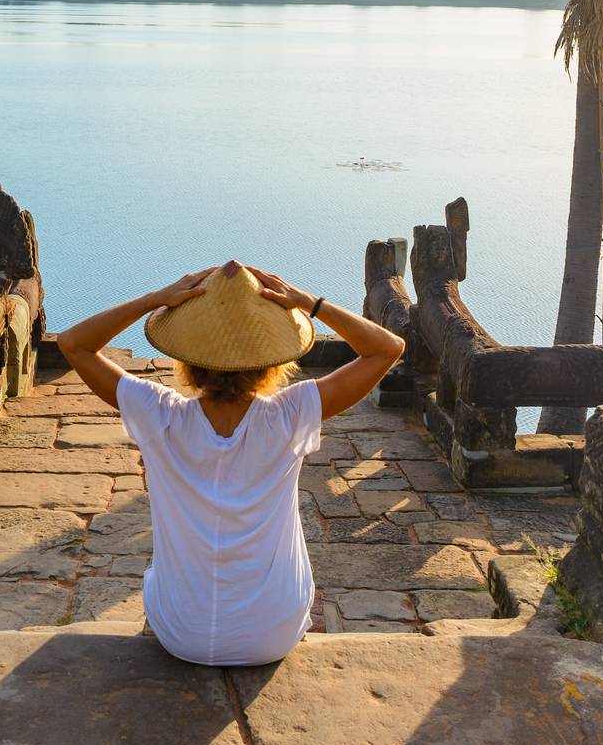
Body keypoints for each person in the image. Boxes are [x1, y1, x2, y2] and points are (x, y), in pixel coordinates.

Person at [55, 260, 405, 666]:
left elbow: (74, 343)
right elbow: (388, 348)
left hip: (179, 633)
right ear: (271, 361)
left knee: (154, 579)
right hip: (273, 633)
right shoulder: (291, 414)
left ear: (188, 360)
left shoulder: (160, 415)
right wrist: (310, 303)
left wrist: (156, 300)